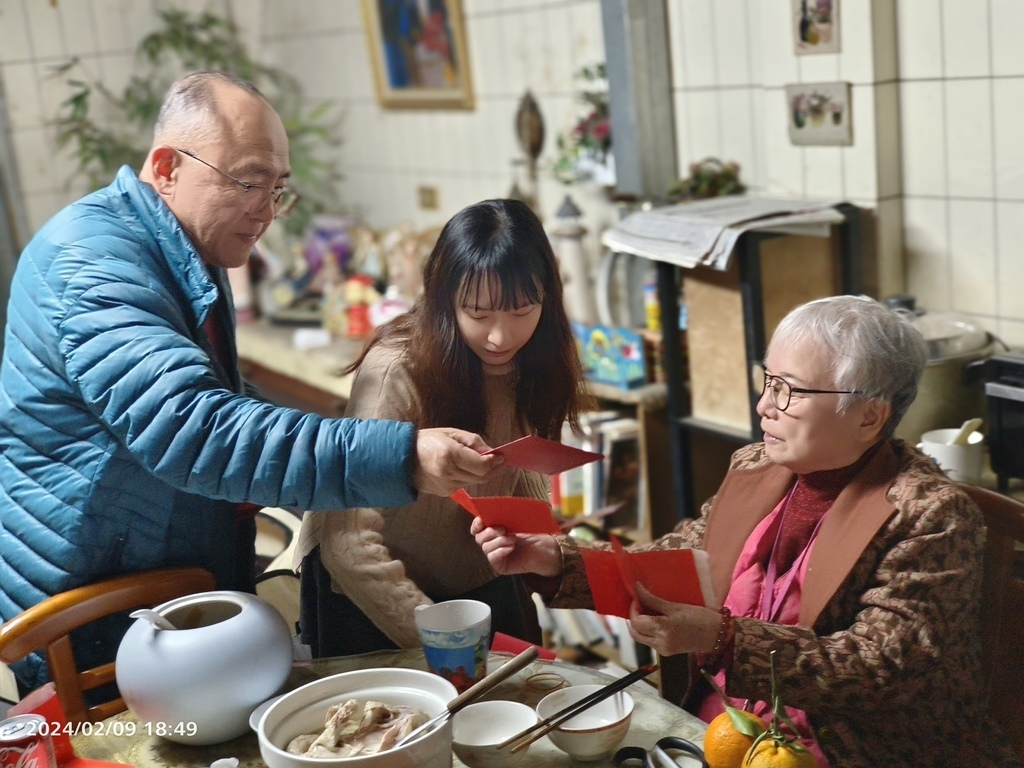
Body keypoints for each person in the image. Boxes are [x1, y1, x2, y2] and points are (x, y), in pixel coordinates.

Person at [0, 71, 502, 692]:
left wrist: (351, 456)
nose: (265, 212)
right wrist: (397, 454)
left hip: (154, 581)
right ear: (166, 167)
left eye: (277, 189)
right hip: (94, 605)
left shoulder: (177, 247)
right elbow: (196, 428)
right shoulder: (92, 262)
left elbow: (223, 401)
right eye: (247, 182)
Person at [472, 295, 1022, 768]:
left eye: (791, 392)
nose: (764, 406)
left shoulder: (931, 515)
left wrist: (720, 639)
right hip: (731, 727)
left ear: (870, 418)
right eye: (768, 381)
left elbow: (878, 667)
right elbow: (678, 559)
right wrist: (555, 561)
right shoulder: (758, 465)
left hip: (853, 748)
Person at [295, 198, 589, 657]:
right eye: (478, 314)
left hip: (470, 574)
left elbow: (516, 461)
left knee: (518, 706)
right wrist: (443, 645)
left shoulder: (533, 359)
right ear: (444, 300)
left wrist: (540, 540)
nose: (500, 337)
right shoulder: (398, 368)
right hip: (368, 585)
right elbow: (347, 543)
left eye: (521, 311)